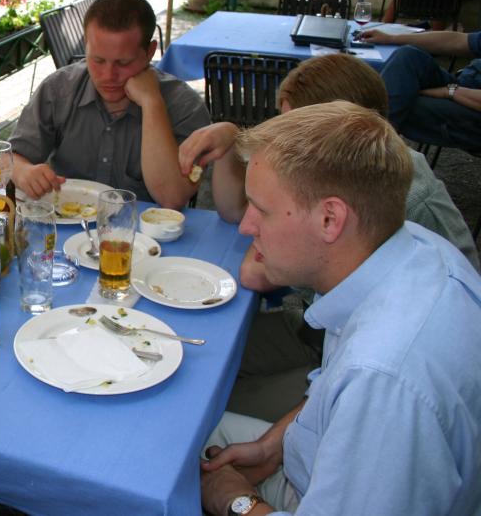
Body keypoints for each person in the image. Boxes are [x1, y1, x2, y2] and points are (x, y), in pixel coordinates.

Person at [199, 102, 481, 516]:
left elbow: (369, 389)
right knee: (182, 429)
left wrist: (237, 502)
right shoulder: (414, 247)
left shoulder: (381, 379)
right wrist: (275, 445)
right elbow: (332, 391)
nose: (246, 226)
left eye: (262, 209)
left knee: (167, 454)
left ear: (330, 219)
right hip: (322, 463)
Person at [179, 53, 479, 421]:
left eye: (295, 131)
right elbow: (239, 214)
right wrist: (232, 141)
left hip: (345, 361)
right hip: (319, 329)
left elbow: (254, 273)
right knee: (195, 360)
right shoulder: (363, 177)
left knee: (204, 401)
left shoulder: (403, 208)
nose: (285, 141)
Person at [9, 0, 209, 208]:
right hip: (65, 221)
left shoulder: (184, 106)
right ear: (86, 44)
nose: (108, 75)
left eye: (123, 63)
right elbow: (6, 157)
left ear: (150, 52)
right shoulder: (59, 89)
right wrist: (22, 171)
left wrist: (152, 104)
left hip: (143, 227)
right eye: (98, 60)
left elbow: (173, 198)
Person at [360, 27, 481, 152]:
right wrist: (390, 38)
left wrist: (450, 91)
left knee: (403, 101)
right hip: (466, 84)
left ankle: (368, 149)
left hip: (474, 108)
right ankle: (368, 141)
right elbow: (458, 41)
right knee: (406, 56)